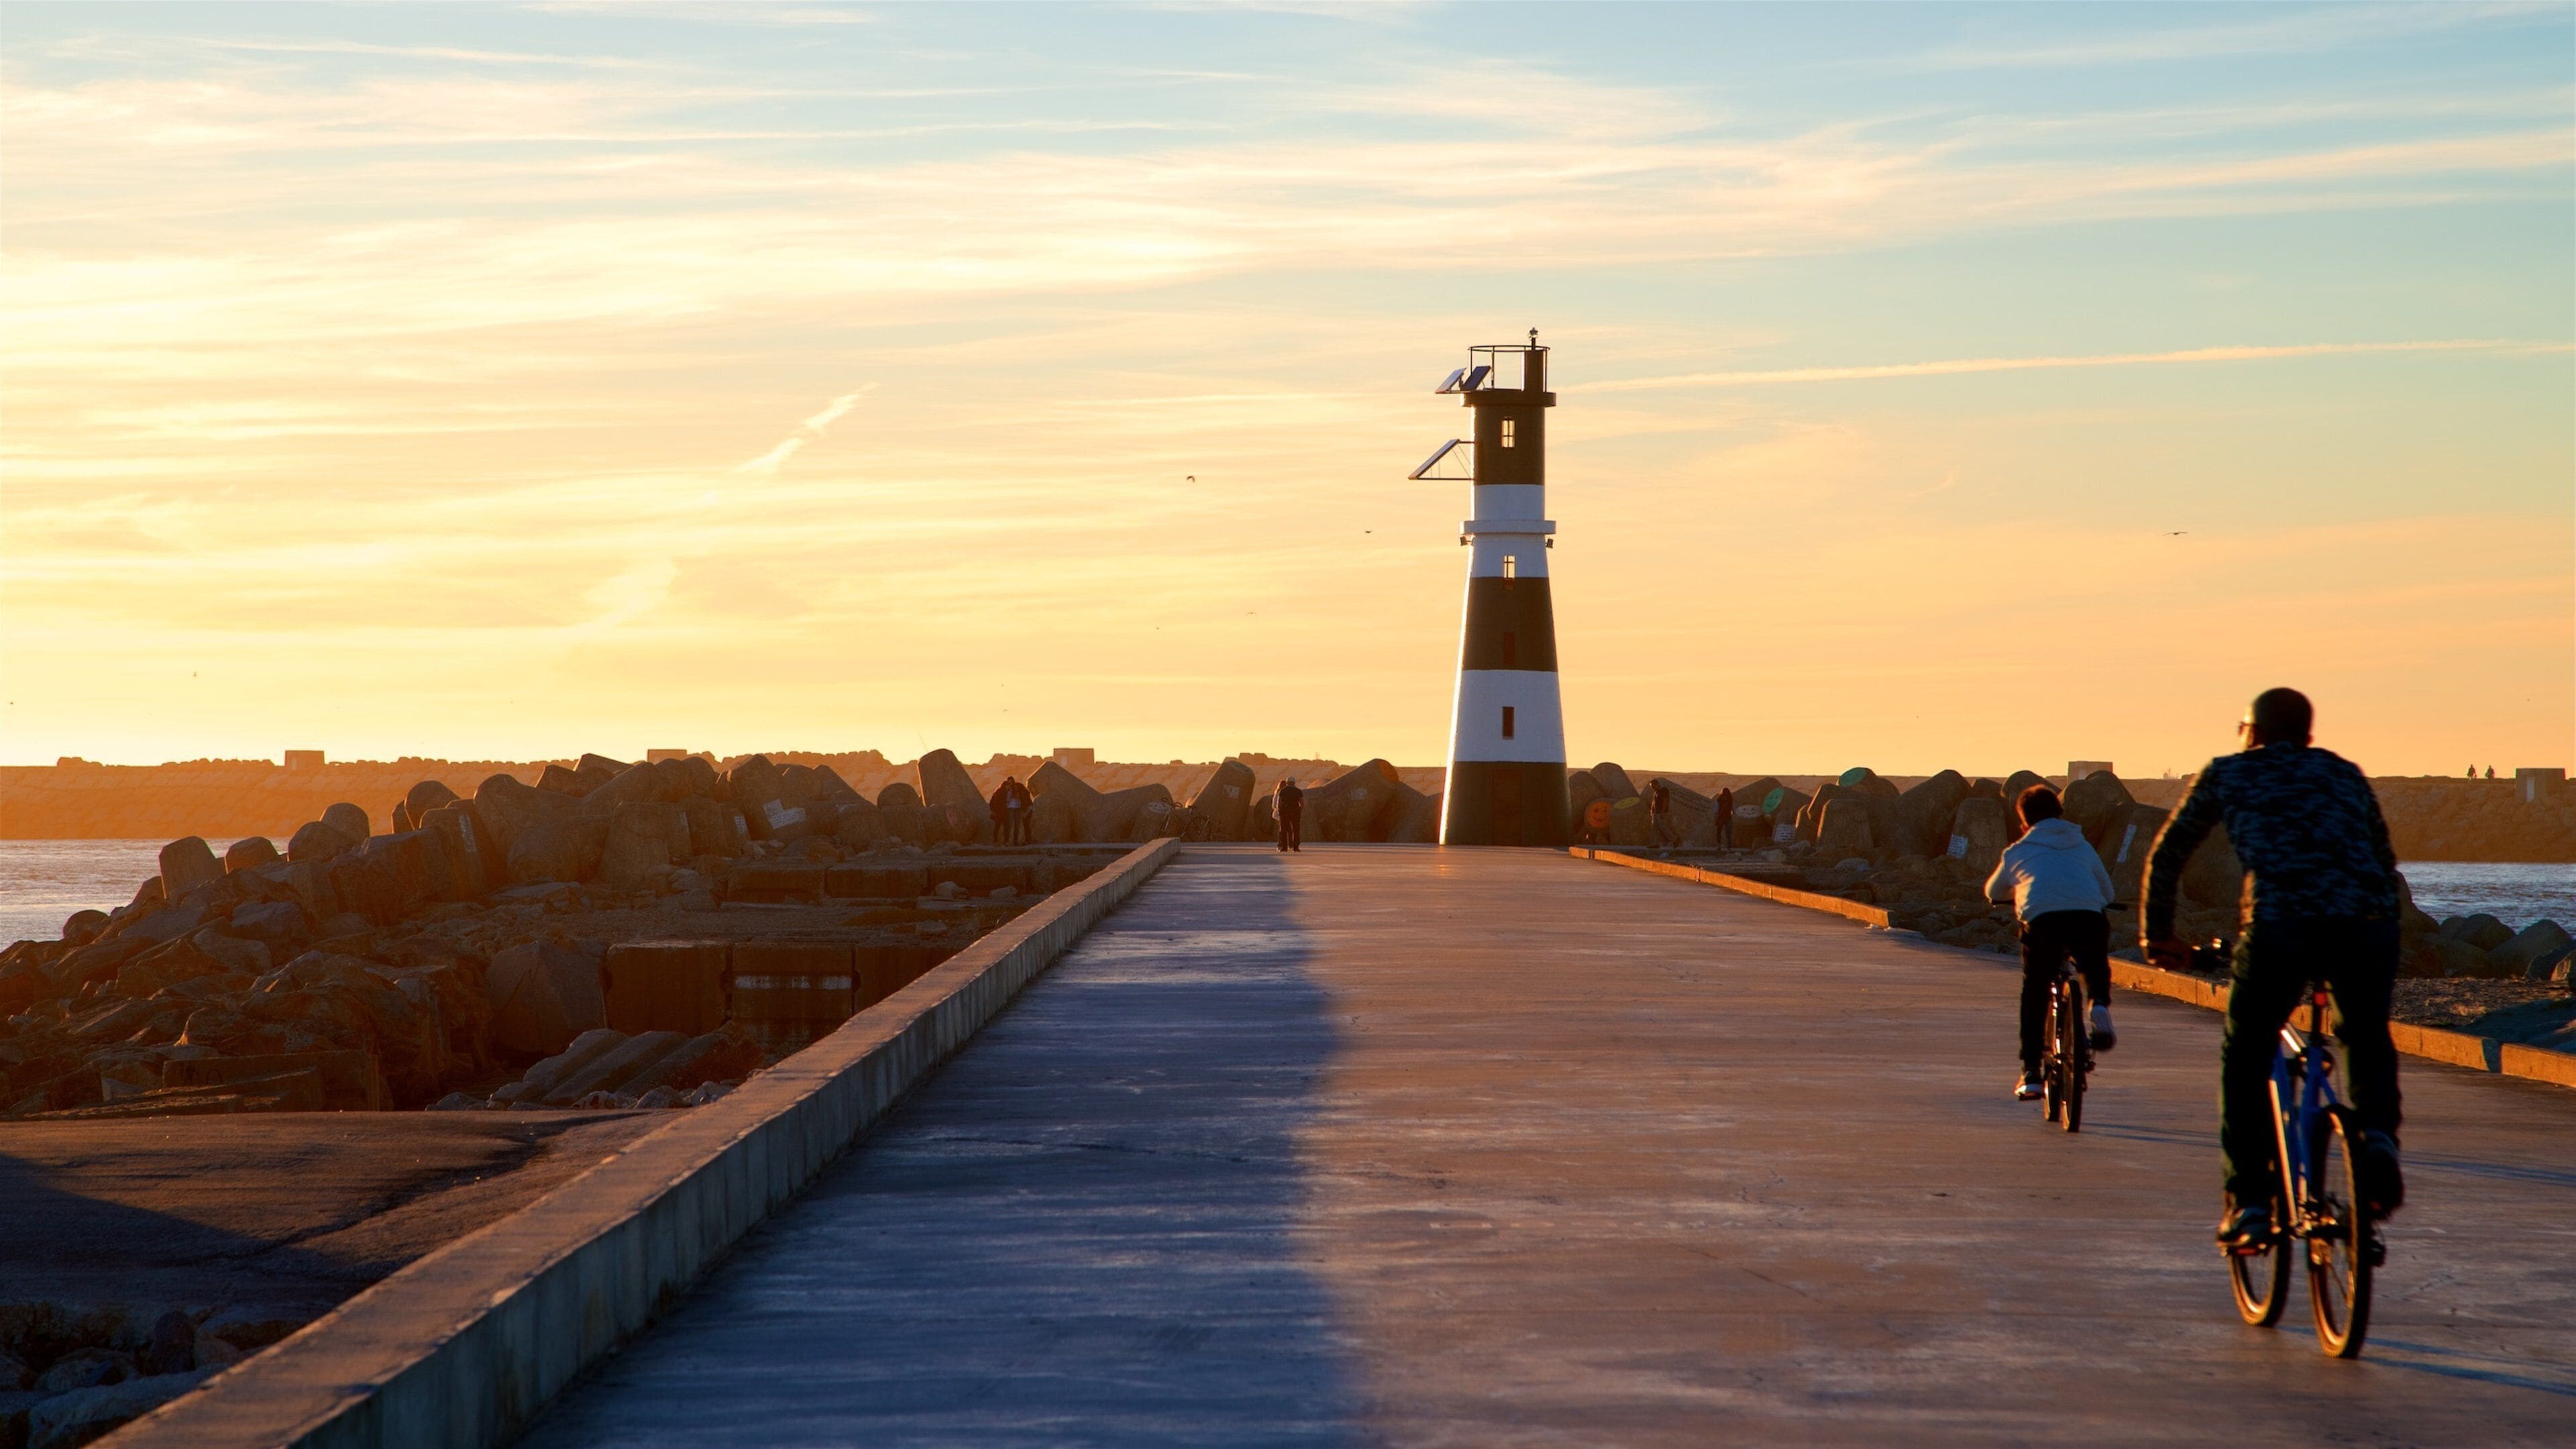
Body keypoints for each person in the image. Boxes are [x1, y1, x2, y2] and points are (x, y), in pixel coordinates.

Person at [2145, 687, 2404, 1249]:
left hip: (2283, 923)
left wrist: (2158, 935)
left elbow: (2168, 854)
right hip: (2368, 923)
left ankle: (2250, 1202)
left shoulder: (2230, 771)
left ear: (2253, 732)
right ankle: (2379, 1140)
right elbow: (2384, 862)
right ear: (2307, 736)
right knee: (2365, 1034)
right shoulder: (2344, 772)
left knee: (2246, 1049)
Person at [1985, 784, 2118, 1102]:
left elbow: (1993, 892)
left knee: (2035, 989)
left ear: (2024, 822)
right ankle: (2098, 1004)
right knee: (2093, 963)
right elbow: (2108, 893)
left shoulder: (2018, 851)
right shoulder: (2083, 846)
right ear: (2060, 813)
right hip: (2088, 918)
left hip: (2044, 923)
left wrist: (2017, 891)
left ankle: (2032, 1073)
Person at [1275, 777, 1303, 853]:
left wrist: (1279, 810)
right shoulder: (1298, 791)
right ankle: (1295, 848)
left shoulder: (1283, 791)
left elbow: (1279, 802)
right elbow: (1302, 802)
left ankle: (1284, 848)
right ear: (1294, 783)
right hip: (1295, 812)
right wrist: (1300, 810)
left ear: (1287, 782)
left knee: (1284, 830)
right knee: (1296, 830)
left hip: (1284, 812)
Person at [987, 777, 1014, 845]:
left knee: (1002, 827)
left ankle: (1003, 841)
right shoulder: (1000, 793)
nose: (1009, 788)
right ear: (1005, 786)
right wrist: (994, 811)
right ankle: (1000, 841)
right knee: (999, 827)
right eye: (1008, 786)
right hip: (999, 813)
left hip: (1002, 812)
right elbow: (995, 803)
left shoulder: (1002, 792)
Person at [1649, 780, 1676, 848]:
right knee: (1654, 828)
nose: (1653, 788)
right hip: (1656, 813)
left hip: (1661, 813)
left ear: (1657, 784)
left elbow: (1665, 801)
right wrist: (1652, 810)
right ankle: (1655, 844)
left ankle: (1675, 839)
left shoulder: (1664, 790)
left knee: (1663, 827)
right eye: (1652, 787)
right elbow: (1654, 801)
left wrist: (1662, 812)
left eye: (1653, 786)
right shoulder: (1656, 792)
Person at [1007, 775, 1034, 844]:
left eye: (1017, 788)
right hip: (1026, 809)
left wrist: (1024, 811)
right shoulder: (1021, 793)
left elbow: (1025, 803)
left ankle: (1028, 840)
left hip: (1027, 809)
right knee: (1026, 825)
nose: (1016, 789)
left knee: (1027, 825)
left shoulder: (1022, 795)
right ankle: (1028, 840)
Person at [1713, 786, 1736, 851]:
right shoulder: (1731, 801)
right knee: (1728, 834)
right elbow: (1734, 811)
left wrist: (1715, 818)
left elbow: (1716, 811)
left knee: (1719, 832)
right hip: (1728, 819)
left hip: (1721, 819)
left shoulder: (1719, 800)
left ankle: (1719, 846)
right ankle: (1729, 848)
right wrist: (1731, 814)